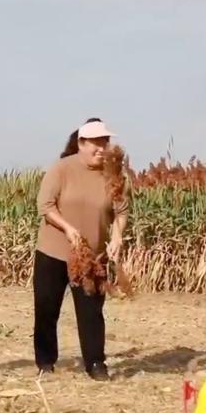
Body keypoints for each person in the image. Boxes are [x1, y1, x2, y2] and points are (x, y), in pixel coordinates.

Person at [33, 118, 128, 381]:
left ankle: (95, 363)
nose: (101, 148)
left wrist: (117, 236)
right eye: (95, 142)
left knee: (91, 312)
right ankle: (45, 361)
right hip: (53, 252)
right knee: (46, 307)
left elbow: (121, 211)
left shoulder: (114, 174)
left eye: (104, 142)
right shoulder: (61, 169)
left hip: (92, 256)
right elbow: (45, 205)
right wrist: (67, 228)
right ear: (81, 143)